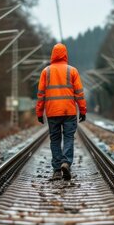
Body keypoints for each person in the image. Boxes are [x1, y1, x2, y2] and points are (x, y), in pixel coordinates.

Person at [36, 43, 86, 181]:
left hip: (52, 112)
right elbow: (79, 93)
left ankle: (57, 170)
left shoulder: (46, 72)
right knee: (69, 137)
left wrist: (39, 113)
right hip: (69, 111)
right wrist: (82, 110)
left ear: (53, 54)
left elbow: (41, 95)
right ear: (65, 54)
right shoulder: (72, 71)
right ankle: (66, 162)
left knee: (55, 140)